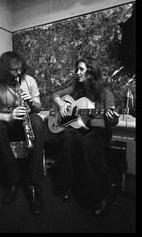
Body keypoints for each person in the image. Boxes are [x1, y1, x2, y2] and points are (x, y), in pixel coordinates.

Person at [51, 56, 120, 217]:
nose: (77, 73)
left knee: (88, 143)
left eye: (81, 69)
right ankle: (67, 184)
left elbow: (113, 119)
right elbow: (55, 94)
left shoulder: (106, 93)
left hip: (100, 131)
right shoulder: (76, 88)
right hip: (82, 129)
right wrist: (61, 104)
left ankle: (103, 195)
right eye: (77, 69)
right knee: (67, 137)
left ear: (91, 72)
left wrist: (113, 118)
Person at [0, 51, 44, 216]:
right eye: (14, 70)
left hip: (26, 121)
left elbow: (38, 108)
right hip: (7, 123)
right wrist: (7, 116)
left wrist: (31, 101)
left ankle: (33, 185)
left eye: (20, 69)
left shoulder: (29, 80)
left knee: (38, 121)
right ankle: (13, 180)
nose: (18, 73)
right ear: (4, 70)